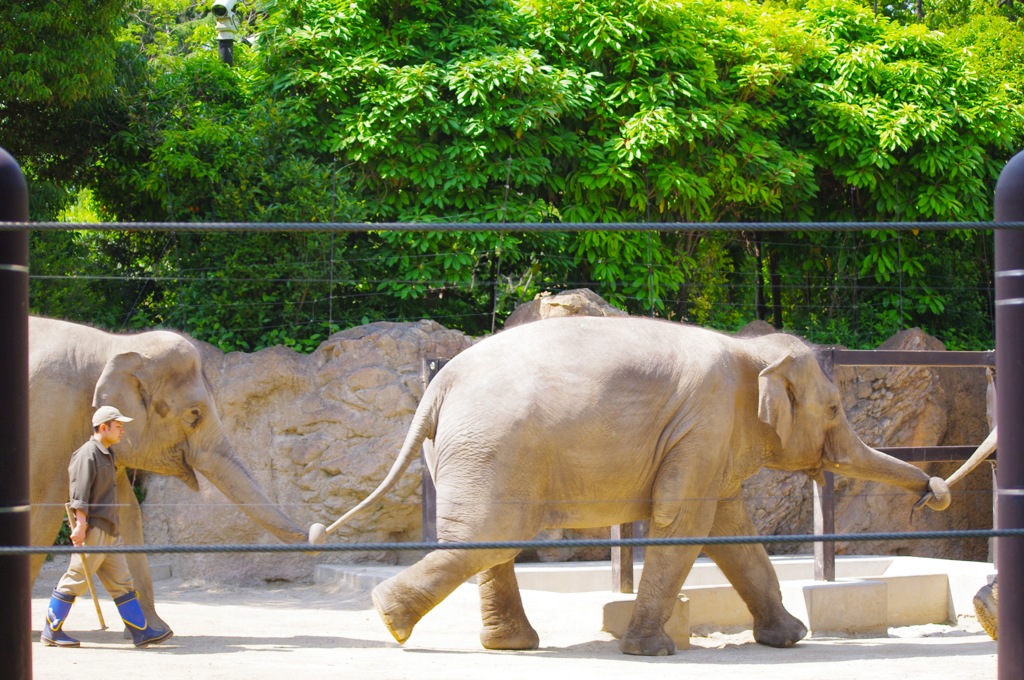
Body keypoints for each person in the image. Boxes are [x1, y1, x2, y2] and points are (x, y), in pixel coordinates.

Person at [41, 405, 173, 648]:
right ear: (104, 427)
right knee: (75, 578)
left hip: (109, 530)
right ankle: (52, 629)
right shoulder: (87, 454)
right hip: (94, 529)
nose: (122, 430)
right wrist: (81, 525)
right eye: (118, 426)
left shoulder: (106, 454)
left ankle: (140, 632)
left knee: (122, 581)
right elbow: (79, 493)